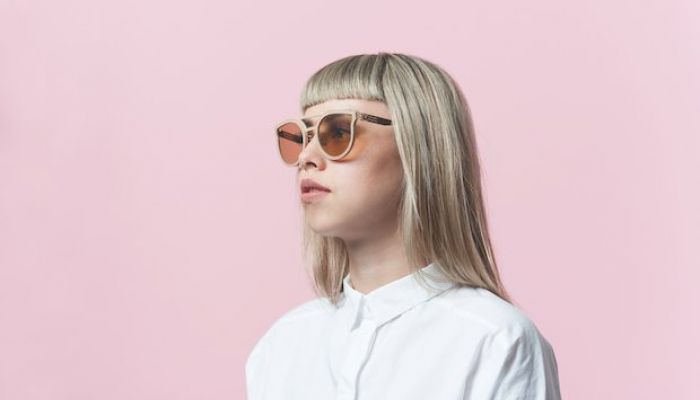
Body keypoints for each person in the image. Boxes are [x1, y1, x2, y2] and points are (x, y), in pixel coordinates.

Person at [245, 52, 562, 400]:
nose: (306, 157)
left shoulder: (495, 341)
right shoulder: (280, 347)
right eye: (301, 138)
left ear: (418, 146)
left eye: (338, 132)